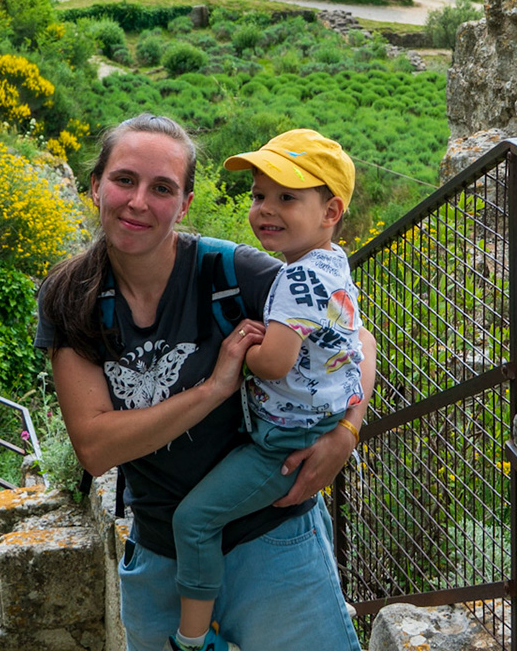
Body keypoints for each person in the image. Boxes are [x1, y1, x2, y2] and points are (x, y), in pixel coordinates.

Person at [35, 115, 372, 651]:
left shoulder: (232, 273)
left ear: (185, 203)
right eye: (124, 180)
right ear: (95, 186)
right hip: (163, 557)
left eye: (162, 188)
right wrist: (213, 388)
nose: (138, 202)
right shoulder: (73, 295)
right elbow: (95, 448)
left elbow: (356, 338)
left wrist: (347, 432)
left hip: (272, 545)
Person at [169, 129, 365, 651]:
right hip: (320, 418)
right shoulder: (331, 263)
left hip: (281, 443)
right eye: (259, 196)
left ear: (331, 211)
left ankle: (193, 641)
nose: (266, 209)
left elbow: (275, 364)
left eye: (287, 198)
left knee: (194, 521)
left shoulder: (296, 281)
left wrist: (241, 350)